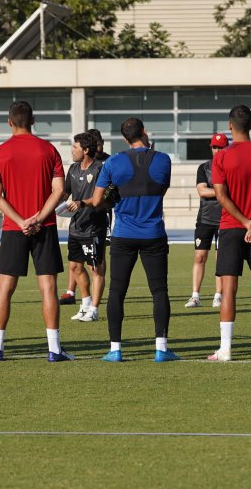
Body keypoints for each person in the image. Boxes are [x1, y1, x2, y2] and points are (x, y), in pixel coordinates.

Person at [0, 101, 72, 362]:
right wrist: (37, 218)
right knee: (48, 287)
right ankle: (54, 349)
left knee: (5, 288)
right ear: (33, 121)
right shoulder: (49, 150)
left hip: (14, 228)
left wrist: (21, 220)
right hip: (43, 227)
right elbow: (59, 190)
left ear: (9, 122)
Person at [90, 117, 177, 363]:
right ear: (144, 132)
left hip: (123, 234)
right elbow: (162, 190)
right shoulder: (163, 159)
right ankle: (161, 349)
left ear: (125, 138)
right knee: (159, 291)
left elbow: (97, 201)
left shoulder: (114, 162)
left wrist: (113, 197)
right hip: (154, 234)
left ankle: (115, 349)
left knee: (117, 292)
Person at [209, 106, 251, 362]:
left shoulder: (221, 158)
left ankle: (225, 349)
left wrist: (245, 221)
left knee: (228, 291)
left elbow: (221, 196)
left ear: (230, 126)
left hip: (230, 229)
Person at [62, 132, 108, 323]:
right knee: (74, 267)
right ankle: (85, 304)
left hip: (93, 227)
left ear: (86, 150)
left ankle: (95, 310)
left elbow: (103, 199)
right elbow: (64, 194)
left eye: (75, 147)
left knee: (96, 269)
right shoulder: (72, 169)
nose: (72, 151)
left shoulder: (100, 169)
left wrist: (82, 203)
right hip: (75, 227)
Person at [187, 133, 228, 309]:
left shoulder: (231, 167)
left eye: (221, 147)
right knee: (200, 257)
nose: (217, 150)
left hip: (226, 219)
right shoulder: (204, 168)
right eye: (214, 147)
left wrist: (215, 191)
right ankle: (195, 296)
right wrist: (222, 192)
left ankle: (218, 295)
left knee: (222, 260)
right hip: (205, 219)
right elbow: (202, 191)